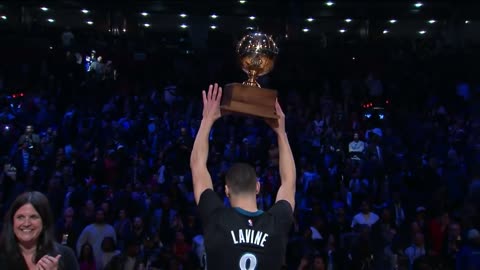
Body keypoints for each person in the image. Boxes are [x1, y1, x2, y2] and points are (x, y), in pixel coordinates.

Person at [190, 83, 296, 269]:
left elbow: (197, 166)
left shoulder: (216, 219)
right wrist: (281, 132)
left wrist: (207, 120)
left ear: (226, 190)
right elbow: (289, 182)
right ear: (257, 187)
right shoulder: (276, 223)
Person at [0, 191, 79, 270]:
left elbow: (65, 238)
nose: (26, 223)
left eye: (33, 217)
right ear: (12, 222)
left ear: (44, 222)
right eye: (20, 217)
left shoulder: (66, 256)